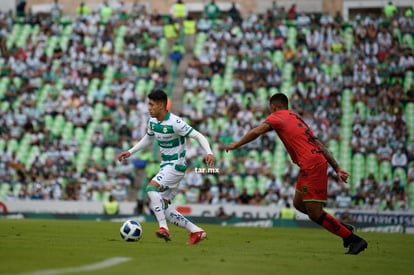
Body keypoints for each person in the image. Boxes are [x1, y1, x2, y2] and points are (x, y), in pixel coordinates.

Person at [225, 93, 368, 255]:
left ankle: (353, 239)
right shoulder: (296, 118)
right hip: (312, 162)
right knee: (298, 204)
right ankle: (341, 228)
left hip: (311, 165)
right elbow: (318, 143)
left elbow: (258, 131)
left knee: (315, 214)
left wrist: (237, 144)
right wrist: (336, 168)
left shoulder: (276, 117)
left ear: (273, 107)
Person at [117, 89, 214, 245]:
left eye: (152, 105)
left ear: (162, 105)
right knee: (165, 207)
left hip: (176, 165)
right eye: (148, 104)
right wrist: (130, 151)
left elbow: (198, 135)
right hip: (166, 165)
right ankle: (197, 231)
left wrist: (209, 152)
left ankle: (163, 228)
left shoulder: (175, 123)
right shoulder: (153, 122)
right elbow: (148, 139)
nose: (149, 108)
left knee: (151, 189)